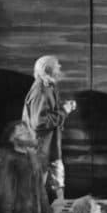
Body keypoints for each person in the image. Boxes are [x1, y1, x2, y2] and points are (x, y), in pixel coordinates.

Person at [22, 55, 77, 201]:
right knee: (38, 187)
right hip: (41, 148)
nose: (60, 68)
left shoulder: (47, 87)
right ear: (48, 70)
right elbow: (39, 122)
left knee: (56, 180)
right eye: (57, 66)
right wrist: (64, 111)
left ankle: (57, 208)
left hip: (48, 147)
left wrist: (62, 109)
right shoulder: (41, 91)